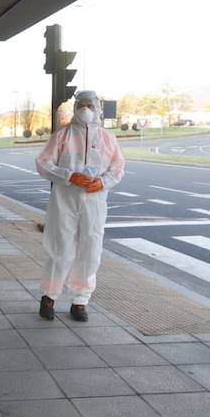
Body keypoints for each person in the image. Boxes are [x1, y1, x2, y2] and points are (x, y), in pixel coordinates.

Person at [36, 89, 125, 322]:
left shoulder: (107, 138)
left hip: (94, 201)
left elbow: (117, 169)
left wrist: (103, 182)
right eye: (81, 105)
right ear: (75, 108)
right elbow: (43, 164)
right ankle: (49, 296)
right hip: (64, 198)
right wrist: (68, 176)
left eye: (90, 105)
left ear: (98, 108)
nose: (86, 109)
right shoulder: (62, 135)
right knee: (60, 247)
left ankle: (80, 300)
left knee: (91, 248)